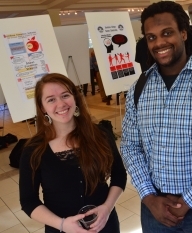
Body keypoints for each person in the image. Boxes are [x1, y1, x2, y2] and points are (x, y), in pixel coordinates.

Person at [121, 1, 192, 233]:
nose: (159, 43)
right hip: (154, 208)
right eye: (151, 37)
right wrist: (148, 196)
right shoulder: (139, 88)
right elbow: (130, 146)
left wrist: (188, 201)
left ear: (183, 33)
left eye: (167, 33)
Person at [19, 73, 127, 233]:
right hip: (61, 229)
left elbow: (119, 175)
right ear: (43, 108)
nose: (61, 104)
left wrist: (107, 208)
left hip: (104, 225)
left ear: (75, 98)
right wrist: (62, 224)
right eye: (51, 99)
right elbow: (29, 201)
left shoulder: (100, 134)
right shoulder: (33, 150)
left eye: (65, 95)